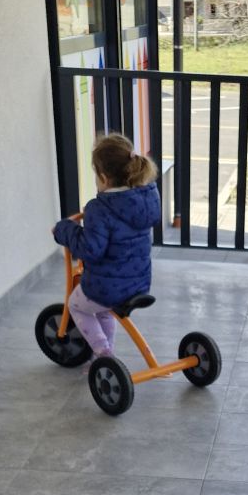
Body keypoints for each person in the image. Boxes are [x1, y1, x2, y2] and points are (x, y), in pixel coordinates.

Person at [52, 132, 160, 358]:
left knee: (76, 305)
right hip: (138, 284)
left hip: (107, 288)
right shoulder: (145, 201)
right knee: (103, 311)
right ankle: (107, 354)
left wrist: (65, 230)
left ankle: (103, 352)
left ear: (103, 177)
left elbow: (90, 249)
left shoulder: (99, 209)